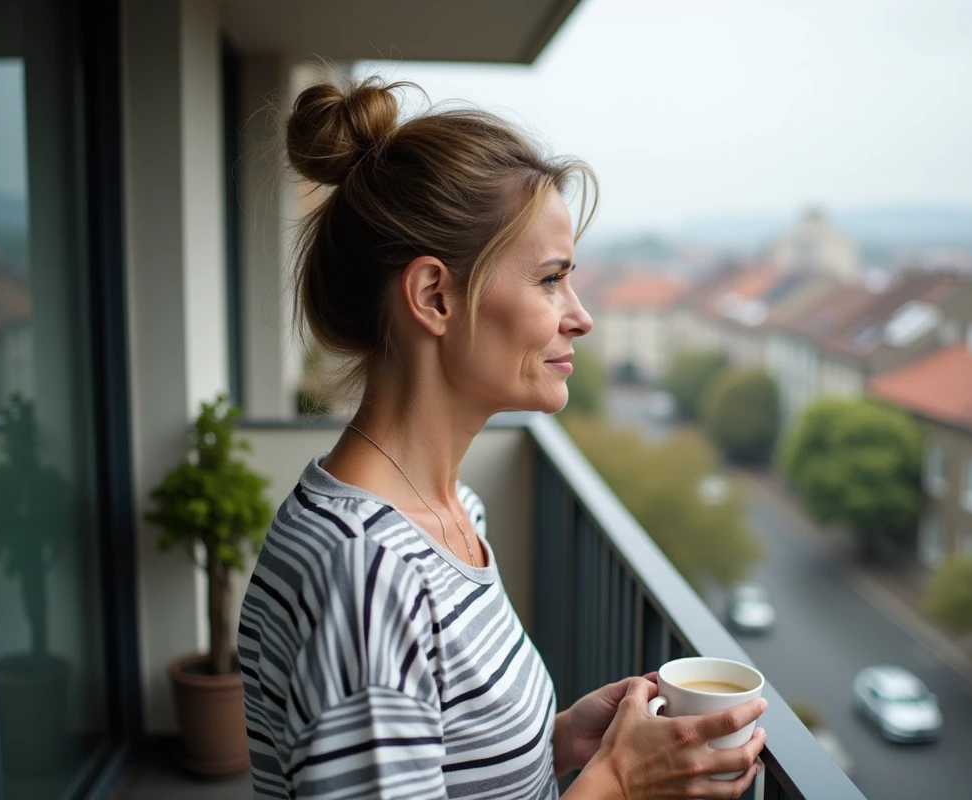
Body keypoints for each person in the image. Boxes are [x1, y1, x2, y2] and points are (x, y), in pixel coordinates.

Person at [237, 76, 767, 799]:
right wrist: (615, 783)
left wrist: (556, 742)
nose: (580, 317)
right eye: (551, 279)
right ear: (435, 297)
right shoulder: (367, 574)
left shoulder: (453, 514)